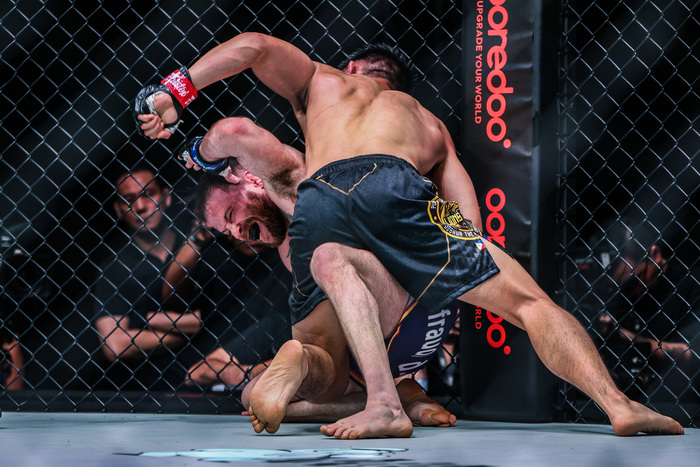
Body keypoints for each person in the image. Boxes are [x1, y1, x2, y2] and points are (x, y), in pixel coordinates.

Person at [134, 33, 684, 438]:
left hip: (321, 197)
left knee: (328, 285)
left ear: (353, 68)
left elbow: (254, 46)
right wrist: (452, 277)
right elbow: (466, 218)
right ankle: (619, 405)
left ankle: (370, 397)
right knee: (529, 303)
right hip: (396, 184)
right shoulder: (429, 125)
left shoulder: (325, 81)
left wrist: (175, 92)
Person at [176, 119, 460, 427]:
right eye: (226, 230)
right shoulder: (288, 246)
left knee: (329, 261)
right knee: (253, 397)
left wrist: (200, 153)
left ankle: (386, 401)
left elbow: (235, 132)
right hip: (389, 350)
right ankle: (402, 397)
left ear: (252, 179)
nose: (236, 231)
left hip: (417, 308)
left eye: (231, 214)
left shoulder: (299, 184)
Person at [92, 164, 203, 390]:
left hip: (206, 377)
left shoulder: (197, 247)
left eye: (148, 194)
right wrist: (195, 329)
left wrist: (146, 322)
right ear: (118, 209)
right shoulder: (113, 268)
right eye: (129, 200)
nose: (141, 207)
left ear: (167, 197)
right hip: (147, 389)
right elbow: (115, 345)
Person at [161, 221, 292, 391]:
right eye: (242, 225)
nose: (251, 234)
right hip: (212, 357)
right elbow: (173, 298)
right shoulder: (215, 253)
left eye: (257, 224)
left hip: (268, 347)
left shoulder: (286, 259)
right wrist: (198, 237)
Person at [596, 218, 699, 401]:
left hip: (682, 401)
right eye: (620, 287)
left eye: (634, 281)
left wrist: (625, 337)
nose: (629, 293)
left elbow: (691, 354)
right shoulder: (622, 296)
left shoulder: (692, 285)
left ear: (655, 254)